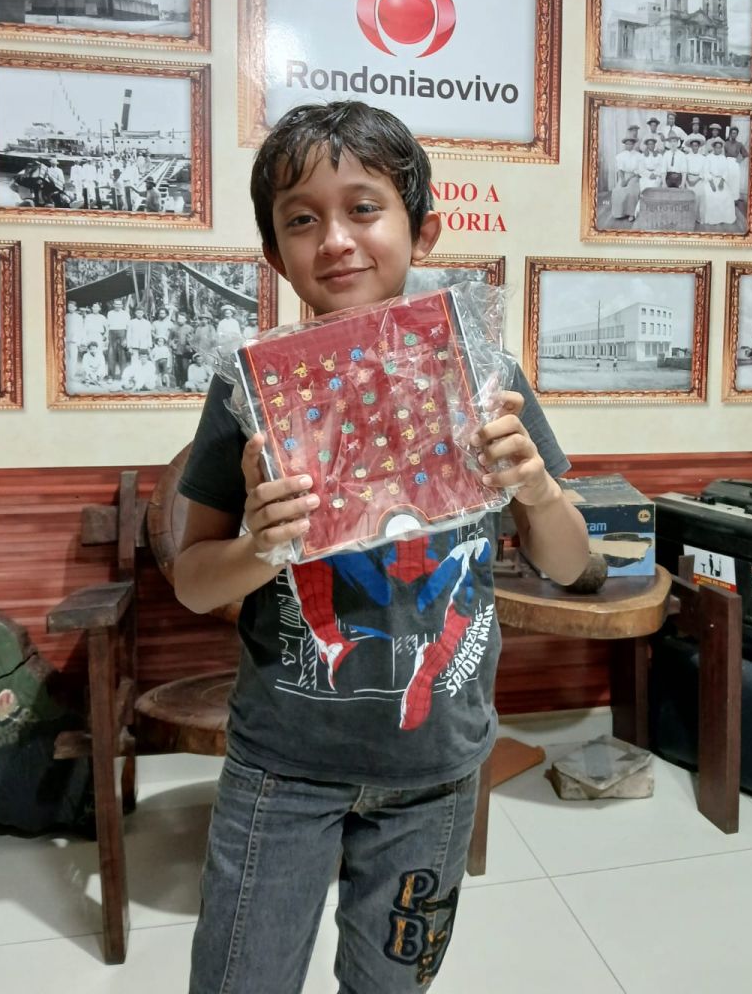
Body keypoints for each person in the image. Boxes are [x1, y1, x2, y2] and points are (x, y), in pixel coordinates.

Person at [173, 100, 590, 994]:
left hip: (436, 771)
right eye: (301, 220)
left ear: (422, 230)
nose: (335, 241)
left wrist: (537, 489)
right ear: (274, 254)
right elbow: (193, 581)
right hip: (282, 767)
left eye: (364, 208)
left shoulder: (484, 379)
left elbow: (568, 564)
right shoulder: (251, 393)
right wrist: (261, 546)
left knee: (391, 984)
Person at [611, 133, 641, 220]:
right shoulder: (620, 156)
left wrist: (629, 179)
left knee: (631, 192)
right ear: (625, 145)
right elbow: (620, 169)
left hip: (634, 176)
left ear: (633, 144)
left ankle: (631, 213)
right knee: (617, 191)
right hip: (624, 175)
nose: (629, 145)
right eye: (627, 144)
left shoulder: (638, 155)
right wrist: (623, 180)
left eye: (631, 144)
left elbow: (639, 170)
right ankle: (620, 213)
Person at [105, 297, 130, 381]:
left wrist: (126, 339)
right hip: (112, 334)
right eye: (116, 304)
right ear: (113, 305)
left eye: (119, 304)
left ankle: (123, 376)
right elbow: (108, 326)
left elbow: (128, 327)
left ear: (122, 305)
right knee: (111, 355)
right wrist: (107, 338)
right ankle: (110, 376)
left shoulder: (126, 314)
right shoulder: (110, 313)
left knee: (122, 356)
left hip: (122, 333)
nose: (118, 306)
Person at [169, 310, 194, 389]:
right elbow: (170, 339)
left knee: (185, 367)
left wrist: (190, 344)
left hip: (186, 351)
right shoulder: (173, 328)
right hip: (177, 351)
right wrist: (172, 344)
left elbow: (193, 340)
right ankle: (178, 384)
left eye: (182, 318)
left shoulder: (189, 328)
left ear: (185, 319)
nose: (180, 320)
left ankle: (184, 383)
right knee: (177, 367)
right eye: (179, 318)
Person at [65, 299, 85, 381]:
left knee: (73, 358)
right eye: (69, 306)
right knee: (66, 358)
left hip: (74, 341)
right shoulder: (65, 316)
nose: (70, 308)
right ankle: (65, 374)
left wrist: (80, 341)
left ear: (75, 308)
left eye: (72, 306)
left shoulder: (79, 317)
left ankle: (71, 375)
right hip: (66, 340)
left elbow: (81, 329)